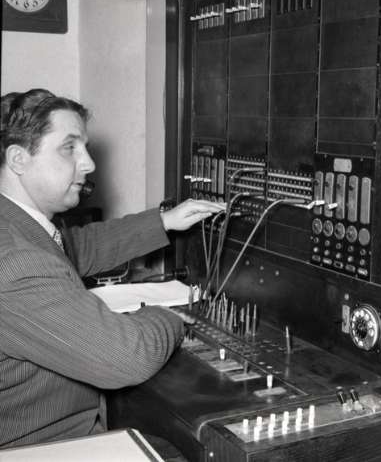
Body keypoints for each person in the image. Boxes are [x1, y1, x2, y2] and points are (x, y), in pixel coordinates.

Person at [0, 89, 225, 448]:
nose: (89, 163)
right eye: (69, 148)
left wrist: (163, 221)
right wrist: (175, 317)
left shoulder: (16, 225)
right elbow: (129, 357)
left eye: (85, 147)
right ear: (18, 159)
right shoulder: (16, 262)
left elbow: (77, 247)